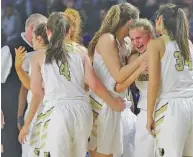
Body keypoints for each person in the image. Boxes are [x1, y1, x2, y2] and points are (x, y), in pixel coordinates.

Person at [18, 12, 125, 157]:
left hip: (57, 112)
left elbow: (37, 93)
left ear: (48, 31)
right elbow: (94, 84)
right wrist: (113, 103)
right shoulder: (81, 51)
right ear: (69, 31)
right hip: (82, 111)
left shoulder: (39, 56)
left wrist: (26, 124)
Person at [87, 3, 147, 157]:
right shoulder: (107, 39)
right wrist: (141, 62)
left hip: (117, 106)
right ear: (129, 23)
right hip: (101, 105)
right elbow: (119, 76)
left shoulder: (126, 43)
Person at [146, 4, 193, 157]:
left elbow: (154, 84)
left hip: (172, 107)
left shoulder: (156, 44)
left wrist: (149, 115)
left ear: (159, 20)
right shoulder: (188, 43)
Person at [115, 18, 155, 157]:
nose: (136, 42)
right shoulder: (133, 59)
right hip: (144, 111)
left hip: (165, 108)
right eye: (132, 39)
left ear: (150, 35)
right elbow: (119, 86)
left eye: (139, 38)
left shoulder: (162, 52)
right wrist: (139, 69)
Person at [15, 13, 47, 157]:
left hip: (39, 116)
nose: (31, 42)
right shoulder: (66, 55)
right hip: (57, 115)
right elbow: (27, 87)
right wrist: (20, 116)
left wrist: (26, 123)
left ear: (38, 36)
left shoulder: (35, 57)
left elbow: (35, 91)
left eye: (33, 38)